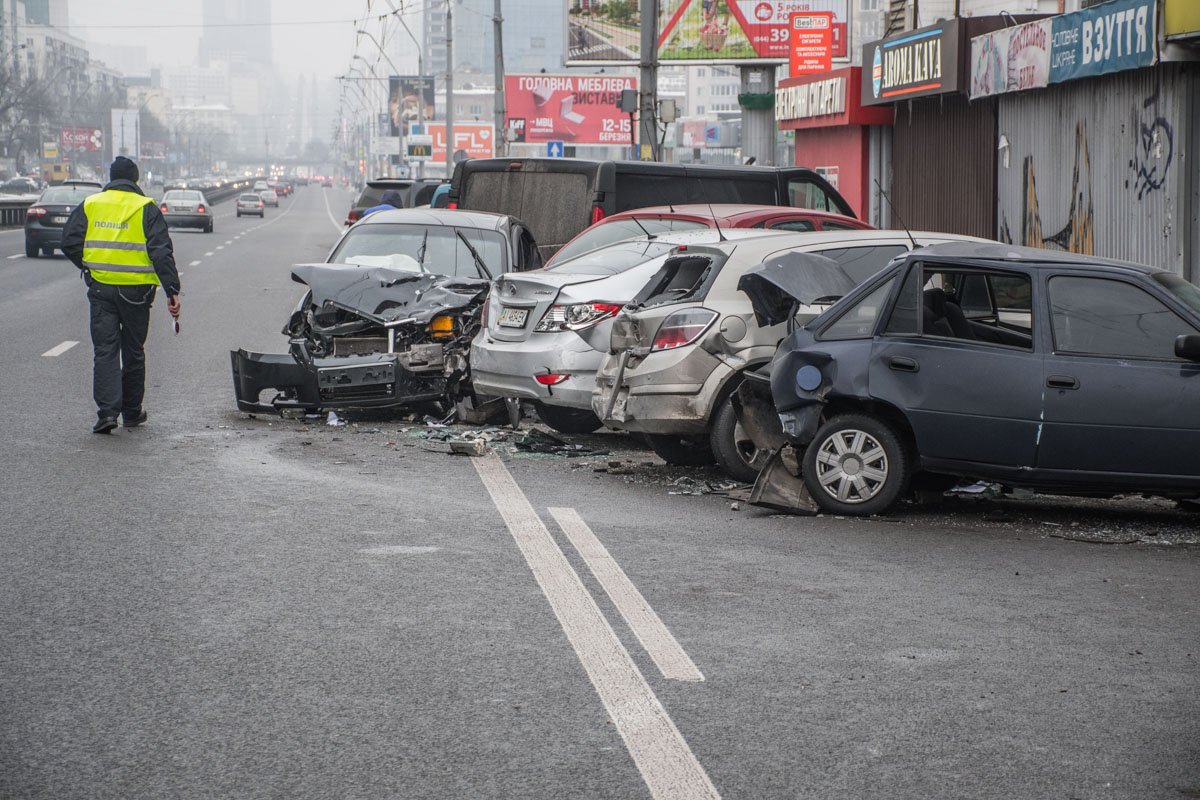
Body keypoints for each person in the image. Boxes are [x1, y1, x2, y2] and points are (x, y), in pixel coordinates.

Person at [62, 156, 181, 434]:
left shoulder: (91, 204)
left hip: (101, 289)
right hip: (137, 294)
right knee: (133, 352)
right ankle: (131, 412)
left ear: (111, 177)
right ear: (135, 179)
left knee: (104, 351)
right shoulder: (146, 208)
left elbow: (68, 241)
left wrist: (88, 266)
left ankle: (106, 414)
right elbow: (161, 252)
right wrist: (171, 290)